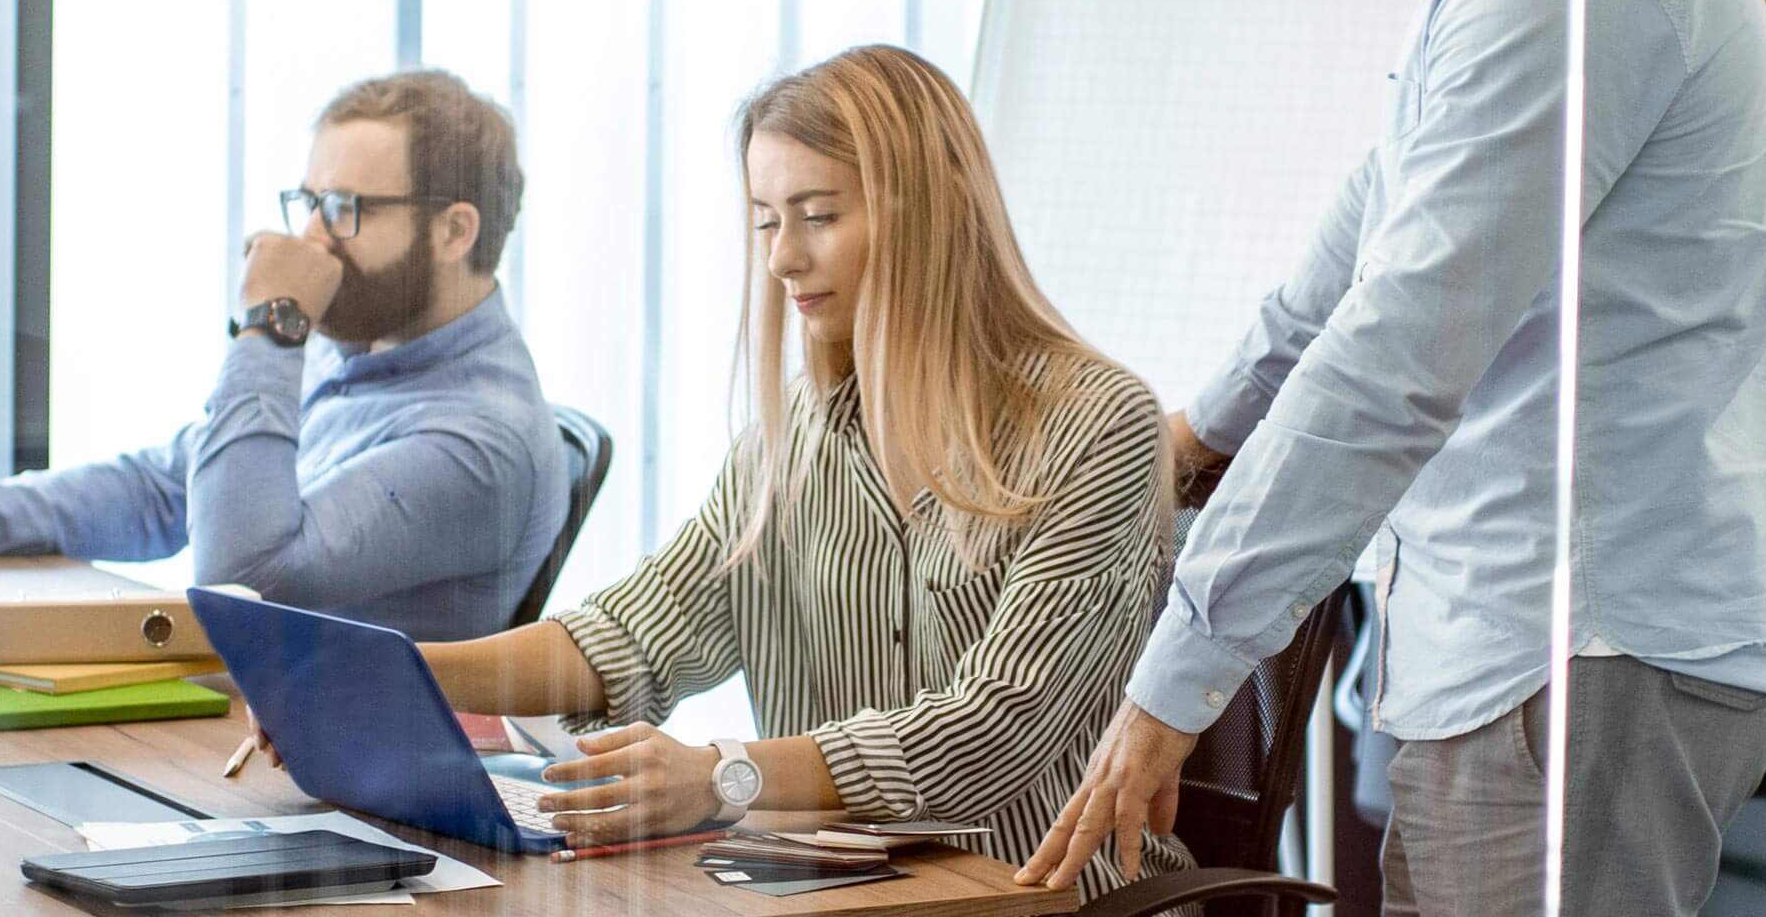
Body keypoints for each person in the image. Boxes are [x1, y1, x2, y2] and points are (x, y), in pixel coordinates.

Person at [1024, 0, 1766, 912]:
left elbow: (1394, 352)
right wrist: (1196, 435)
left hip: (1574, 641)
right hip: (1536, 644)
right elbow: (1372, 233)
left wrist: (1176, 683)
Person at [387, 45, 1188, 897]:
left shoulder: (1099, 425)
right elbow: (637, 631)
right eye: (769, 220)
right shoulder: (793, 431)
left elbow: (993, 731)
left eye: (818, 216)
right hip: (843, 893)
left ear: (932, 214)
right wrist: (399, 676)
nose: (782, 261)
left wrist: (725, 775)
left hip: (1029, 899)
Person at [0, 69, 565, 641]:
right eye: (310, 203)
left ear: (455, 231)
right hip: (244, 731)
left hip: (313, 760)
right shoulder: (361, 346)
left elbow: (242, 586)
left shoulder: (483, 440)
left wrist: (272, 326)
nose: (311, 236)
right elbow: (166, 488)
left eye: (344, 209)